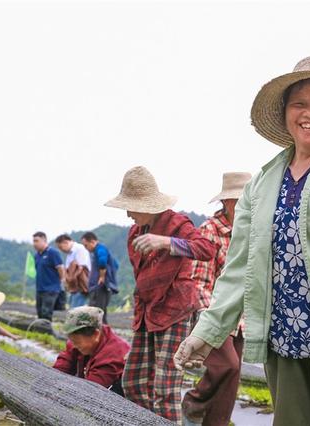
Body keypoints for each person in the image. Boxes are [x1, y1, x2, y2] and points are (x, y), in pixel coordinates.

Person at [174, 56, 310, 426]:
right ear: (285, 114)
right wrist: (210, 330)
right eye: (300, 104)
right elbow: (240, 266)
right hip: (284, 338)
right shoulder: (262, 183)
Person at [104, 166, 216, 422]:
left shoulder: (176, 223)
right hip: (147, 311)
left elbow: (205, 249)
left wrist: (165, 242)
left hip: (173, 310)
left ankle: (166, 421)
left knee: (165, 387)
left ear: (146, 205)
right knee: (133, 380)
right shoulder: (135, 231)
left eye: (131, 207)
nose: (128, 213)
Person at [181, 172, 251, 426]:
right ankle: (194, 404)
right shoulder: (210, 231)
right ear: (227, 202)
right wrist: (211, 316)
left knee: (232, 379)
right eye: (240, 200)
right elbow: (199, 280)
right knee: (227, 366)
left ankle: (216, 422)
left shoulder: (252, 229)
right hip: (216, 314)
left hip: (242, 317)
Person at [53, 306, 130, 395]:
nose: (73, 345)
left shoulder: (113, 356)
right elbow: (59, 369)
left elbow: (89, 392)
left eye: (77, 341)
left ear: (96, 334)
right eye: (71, 340)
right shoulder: (78, 344)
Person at [81, 232, 118, 324]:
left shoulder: (100, 249)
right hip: (99, 286)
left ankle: (102, 335)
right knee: (98, 312)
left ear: (92, 242)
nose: (86, 248)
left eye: (86, 245)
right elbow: (116, 265)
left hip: (100, 287)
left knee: (97, 312)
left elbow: (102, 262)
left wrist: (102, 276)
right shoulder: (97, 251)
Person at [32, 231, 65, 321]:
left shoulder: (53, 253)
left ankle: (47, 331)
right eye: (33, 241)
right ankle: (40, 331)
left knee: (46, 313)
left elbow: (60, 268)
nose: (34, 244)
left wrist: (62, 281)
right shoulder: (37, 255)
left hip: (51, 289)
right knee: (39, 312)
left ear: (44, 240)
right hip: (40, 288)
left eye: (36, 241)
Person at [55, 234, 91, 308]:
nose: (60, 250)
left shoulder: (79, 249)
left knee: (76, 310)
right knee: (72, 309)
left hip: (80, 285)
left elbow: (81, 268)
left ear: (65, 242)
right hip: (74, 287)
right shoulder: (70, 253)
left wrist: (70, 278)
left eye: (60, 247)